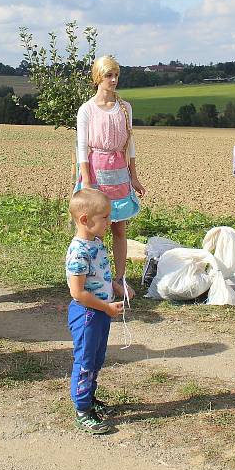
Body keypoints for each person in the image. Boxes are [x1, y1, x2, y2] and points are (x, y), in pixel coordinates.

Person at [75, 55, 146, 299]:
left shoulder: (125, 108)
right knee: (94, 229)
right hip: (95, 172)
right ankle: (95, 278)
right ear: (98, 77)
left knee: (119, 228)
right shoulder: (87, 109)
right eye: (108, 75)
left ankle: (119, 278)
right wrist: (86, 180)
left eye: (116, 75)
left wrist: (134, 176)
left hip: (118, 172)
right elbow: (82, 147)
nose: (113, 80)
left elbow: (131, 144)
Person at [66, 188, 125, 434]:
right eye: (104, 217)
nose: (109, 222)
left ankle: (89, 398)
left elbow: (99, 274)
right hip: (87, 314)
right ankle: (81, 409)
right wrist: (106, 307)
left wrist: (116, 287)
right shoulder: (79, 251)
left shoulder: (96, 243)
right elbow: (77, 292)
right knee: (86, 360)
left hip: (100, 312)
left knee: (97, 358)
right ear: (84, 220)